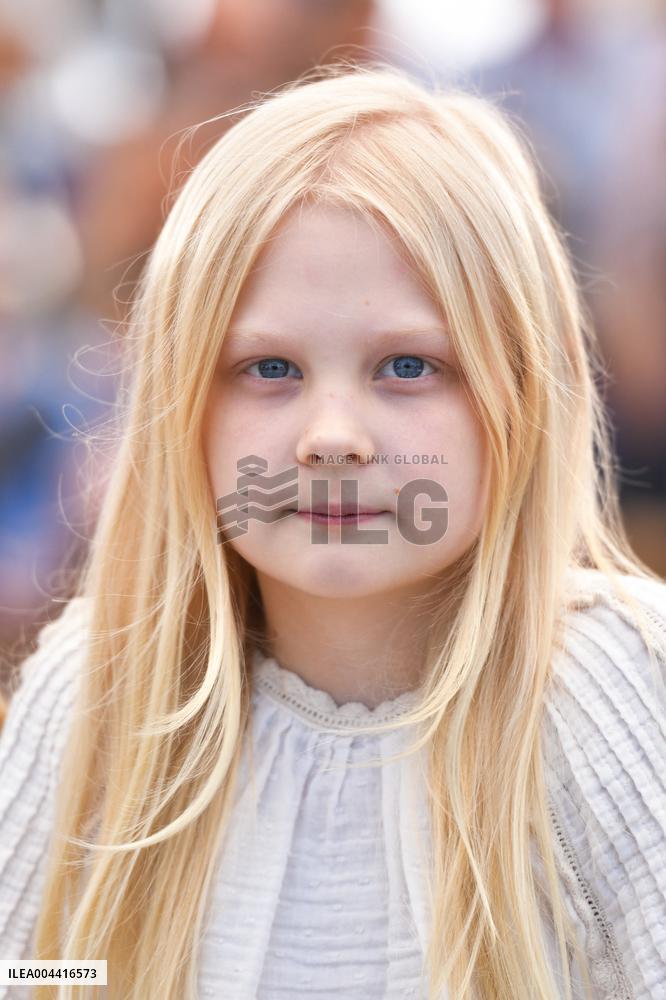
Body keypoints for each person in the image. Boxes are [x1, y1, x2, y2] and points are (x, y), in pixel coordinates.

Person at [0, 63, 665, 1000]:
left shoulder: (620, 689)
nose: (333, 439)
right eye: (269, 368)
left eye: (407, 364)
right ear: (180, 405)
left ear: (517, 394)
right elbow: (41, 968)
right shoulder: (101, 695)